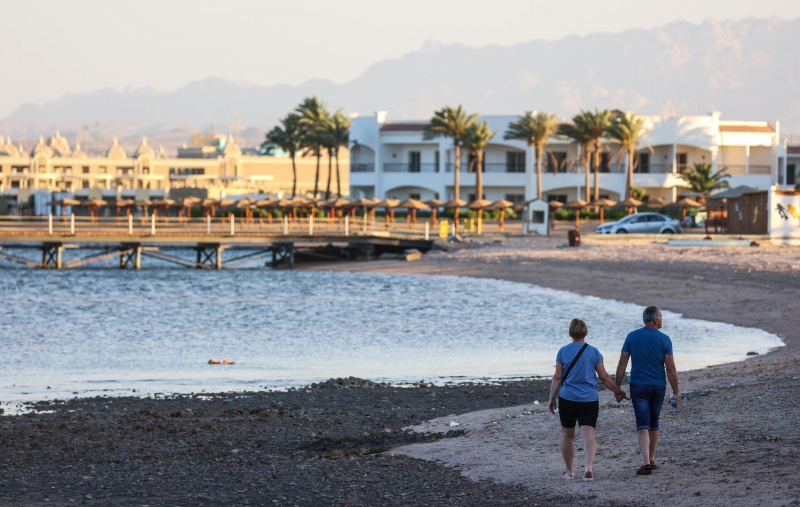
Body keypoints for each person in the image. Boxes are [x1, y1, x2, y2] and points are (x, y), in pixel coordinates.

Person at [549, 318, 625, 481]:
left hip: (568, 398)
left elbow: (557, 377)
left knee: (567, 434)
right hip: (589, 399)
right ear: (585, 332)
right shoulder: (594, 352)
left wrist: (551, 397)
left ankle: (570, 471)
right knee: (588, 434)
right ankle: (588, 468)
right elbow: (604, 376)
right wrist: (618, 391)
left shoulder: (563, 351)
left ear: (570, 333)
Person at [614, 306, 680, 476]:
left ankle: (646, 463)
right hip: (658, 386)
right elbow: (670, 369)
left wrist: (617, 388)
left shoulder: (631, 336)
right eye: (661, 317)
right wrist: (676, 391)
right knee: (654, 423)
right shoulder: (665, 339)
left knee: (642, 425)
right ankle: (650, 459)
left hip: (638, 385)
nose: (662, 320)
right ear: (656, 320)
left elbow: (622, 363)